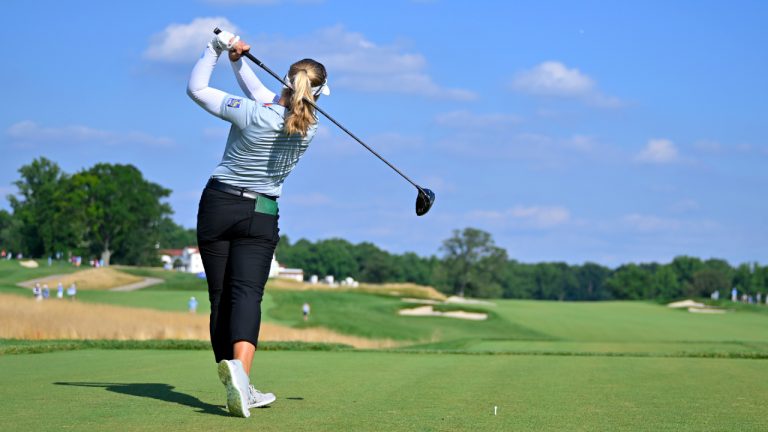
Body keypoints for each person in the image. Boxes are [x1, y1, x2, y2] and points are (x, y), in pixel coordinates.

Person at [187, 29, 329, 418]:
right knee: (247, 295)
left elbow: (197, 89)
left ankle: (232, 376)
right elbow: (273, 100)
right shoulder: (309, 129)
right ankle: (242, 379)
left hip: (218, 205)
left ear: (286, 81)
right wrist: (239, 63)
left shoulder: (251, 113)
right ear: (316, 94)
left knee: (220, 297)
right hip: (262, 213)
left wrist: (215, 49)